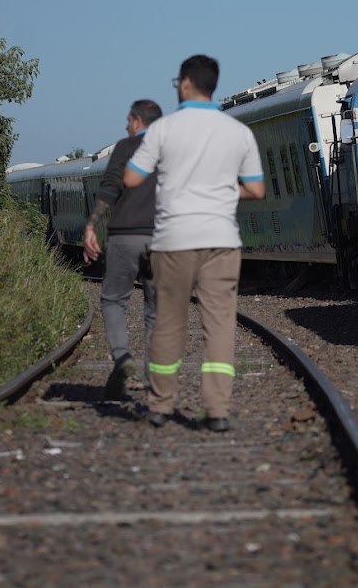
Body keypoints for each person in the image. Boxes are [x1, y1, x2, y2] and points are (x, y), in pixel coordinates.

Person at [122, 55, 265, 432]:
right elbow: (256, 189)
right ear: (212, 85)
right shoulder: (238, 132)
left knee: (169, 323)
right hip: (221, 240)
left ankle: (160, 406)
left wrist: (173, 183)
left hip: (173, 241)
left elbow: (132, 179)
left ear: (185, 84)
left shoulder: (163, 131)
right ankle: (217, 411)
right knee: (219, 325)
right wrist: (218, 191)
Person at [84, 99, 163, 401]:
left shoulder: (125, 148)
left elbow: (109, 189)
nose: (126, 126)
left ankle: (121, 357)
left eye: (128, 121)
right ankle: (153, 377)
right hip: (162, 238)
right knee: (156, 310)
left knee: (114, 300)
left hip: (125, 235)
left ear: (137, 120)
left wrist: (91, 225)